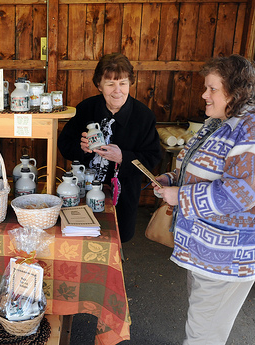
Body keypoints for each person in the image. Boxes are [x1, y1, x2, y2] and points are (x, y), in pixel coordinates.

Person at [154, 54, 255, 344]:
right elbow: (195, 166)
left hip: (227, 258)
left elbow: (240, 193)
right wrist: (171, 180)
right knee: (201, 322)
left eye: (212, 88)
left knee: (203, 334)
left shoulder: (248, 129)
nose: (204, 95)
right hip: (205, 251)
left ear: (235, 92)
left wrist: (180, 195)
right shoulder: (218, 122)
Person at [58, 53, 162, 242]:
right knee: (80, 239)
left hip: (123, 196)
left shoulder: (143, 116)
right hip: (83, 192)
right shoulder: (85, 109)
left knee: (116, 241)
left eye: (123, 83)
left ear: (130, 83)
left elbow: (152, 158)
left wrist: (123, 157)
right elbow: (64, 144)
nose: (117, 91)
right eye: (110, 84)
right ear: (99, 85)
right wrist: (80, 147)